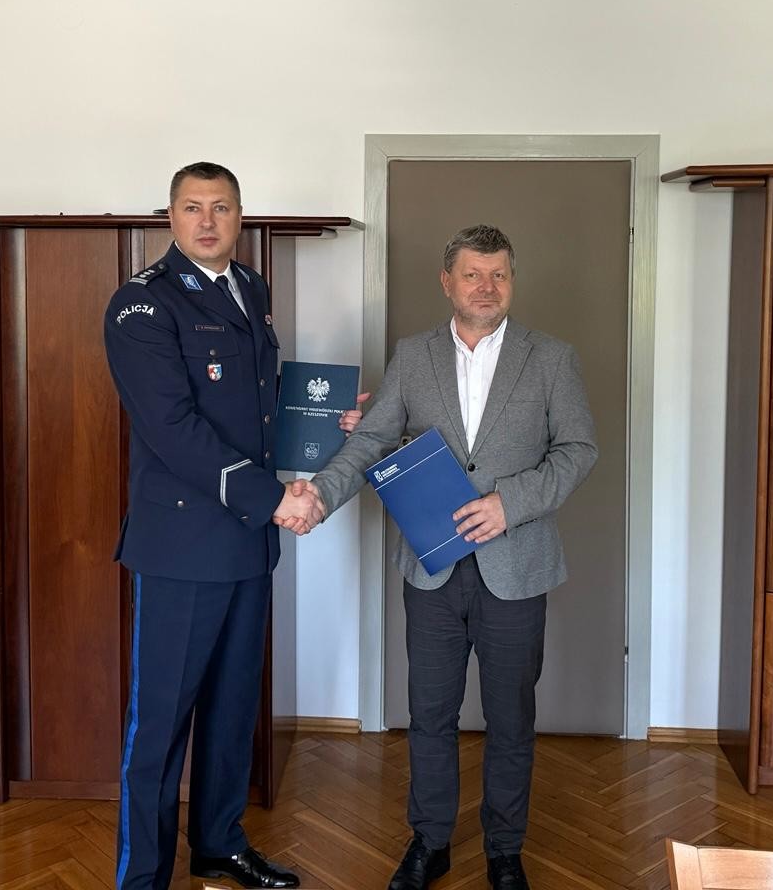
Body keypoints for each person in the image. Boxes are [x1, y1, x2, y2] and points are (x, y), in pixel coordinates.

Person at [299, 224, 598, 890]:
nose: (486, 287)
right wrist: (319, 495)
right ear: (447, 282)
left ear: (511, 281)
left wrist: (509, 503)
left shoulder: (552, 357)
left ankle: (504, 851)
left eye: (499, 275)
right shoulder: (413, 356)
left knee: (511, 719)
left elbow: (578, 450)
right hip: (431, 569)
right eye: (472, 274)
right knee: (430, 715)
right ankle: (430, 842)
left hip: (515, 566)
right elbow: (372, 441)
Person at [103, 161, 324, 890]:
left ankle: (219, 843)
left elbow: (259, 404)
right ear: (170, 217)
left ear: (239, 217)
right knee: (161, 723)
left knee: (233, 710)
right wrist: (274, 499)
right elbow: (173, 428)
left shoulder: (248, 287)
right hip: (183, 545)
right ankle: (143, 877)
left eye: (221, 207)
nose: (207, 220)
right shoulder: (142, 305)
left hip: (248, 543)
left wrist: (326, 429)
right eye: (193, 207)